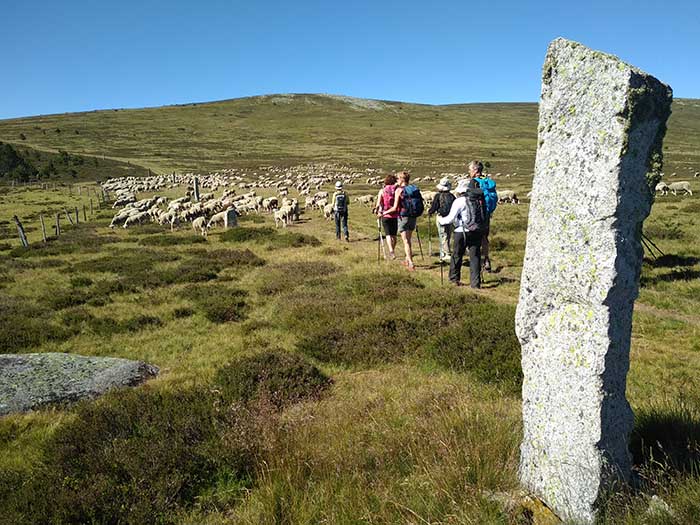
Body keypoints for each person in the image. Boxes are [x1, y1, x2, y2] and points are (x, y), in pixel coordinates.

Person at [439, 178, 485, 288]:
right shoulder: (479, 200)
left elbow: (450, 219)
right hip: (476, 230)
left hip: (461, 231)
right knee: (475, 256)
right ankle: (475, 283)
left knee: (457, 255)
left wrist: (441, 220)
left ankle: (454, 279)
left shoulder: (460, 201)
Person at [381, 171, 416, 271]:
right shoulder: (413, 189)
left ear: (401, 179)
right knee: (409, 240)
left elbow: (395, 208)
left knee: (406, 241)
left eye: (397, 178)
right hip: (413, 217)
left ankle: (411, 263)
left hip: (403, 217)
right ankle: (407, 259)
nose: (396, 180)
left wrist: (383, 213)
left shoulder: (399, 190)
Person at [470, 160, 497, 272]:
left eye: (470, 169)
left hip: (476, 214)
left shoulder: (473, 182)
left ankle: (476, 262)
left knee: (475, 238)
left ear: (475, 170)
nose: (469, 172)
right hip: (486, 213)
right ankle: (486, 259)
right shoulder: (488, 182)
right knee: (485, 238)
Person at [428, 177, 455, 262]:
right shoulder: (452, 196)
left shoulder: (438, 196)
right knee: (448, 235)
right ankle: (444, 252)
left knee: (443, 235)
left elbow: (434, 207)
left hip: (441, 217)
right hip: (451, 217)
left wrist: (430, 212)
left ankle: (446, 254)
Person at [374, 173, 398, 259]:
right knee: (394, 236)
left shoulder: (382, 191)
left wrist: (377, 211)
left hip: (385, 215)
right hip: (395, 215)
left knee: (388, 234)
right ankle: (392, 251)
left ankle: (391, 251)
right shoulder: (396, 191)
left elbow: (378, 204)